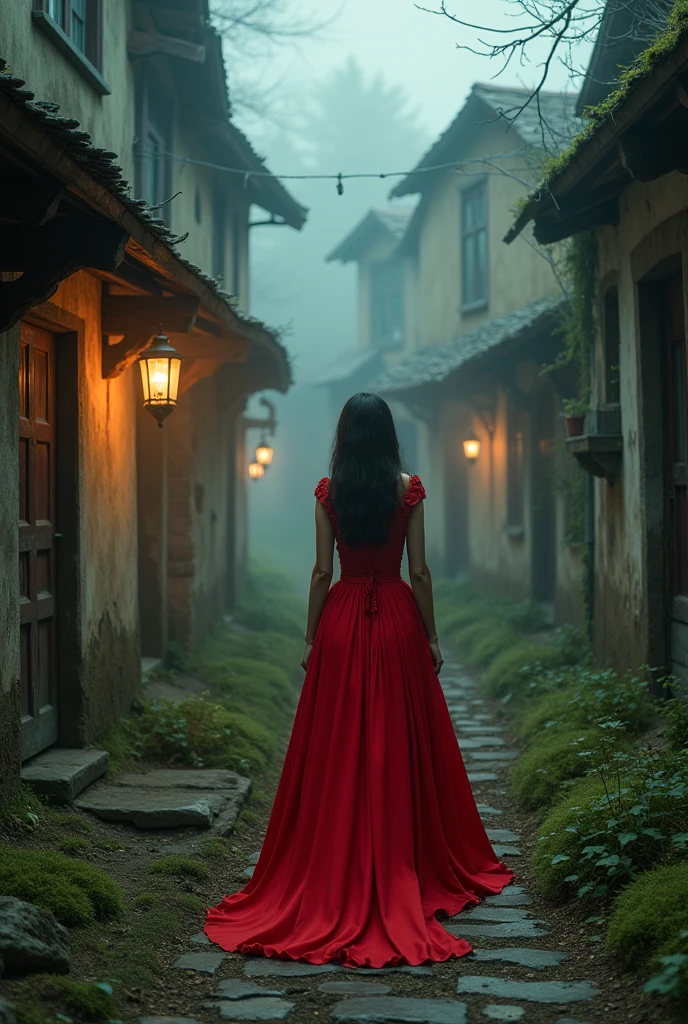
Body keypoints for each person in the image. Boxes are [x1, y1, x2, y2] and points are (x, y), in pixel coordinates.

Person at [205, 393, 513, 967]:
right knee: (398, 740)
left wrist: (309, 635)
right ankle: (405, 853)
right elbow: (418, 570)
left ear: (344, 436)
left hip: (344, 620)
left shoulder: (330, 493)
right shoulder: (410, 489)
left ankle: (337, 851)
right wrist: (432, 636)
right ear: (390, 435)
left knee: (339, 740)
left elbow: (322, 570)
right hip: (395, 618)